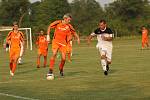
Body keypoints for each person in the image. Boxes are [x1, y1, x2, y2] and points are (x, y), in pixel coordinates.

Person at [46, 13, 80, 78]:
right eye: (69, 20)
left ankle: (61, 69)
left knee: (64, 59)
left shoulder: (69, 26)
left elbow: (74, 32)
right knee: (54, 54)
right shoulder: (58, 22)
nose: (69, 21)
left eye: (70, 20)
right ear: (65, 19)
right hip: (55, 41)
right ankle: (50, 70)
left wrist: (77, 38)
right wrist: (48, 36)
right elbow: (49, 26)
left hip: (64, 43)